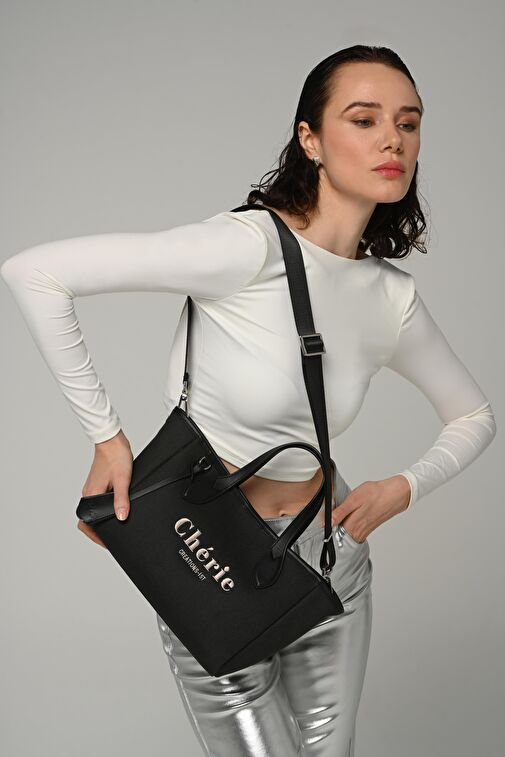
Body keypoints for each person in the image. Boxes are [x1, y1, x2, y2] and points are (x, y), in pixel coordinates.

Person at [1, 44, 496, 757]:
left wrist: (402, 488)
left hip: (328, 557)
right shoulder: (246, 247)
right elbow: (36, 274)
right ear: (310, 139)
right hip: (208, 557)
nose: (392, 139)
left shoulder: (389, 296)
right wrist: (107, 438)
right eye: (363, 120)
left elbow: (474, 416)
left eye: (408, 123)